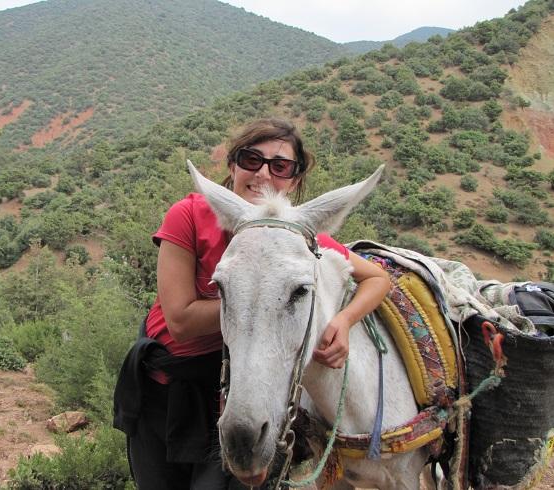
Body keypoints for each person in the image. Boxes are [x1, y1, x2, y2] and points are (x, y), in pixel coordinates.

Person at [114, 118, 391, 489]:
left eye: (280, 166)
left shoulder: (303, 241)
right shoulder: (190, 215)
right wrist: (269, 302)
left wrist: (342, 321)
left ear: (294, 180)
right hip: (162, 389)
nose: (263, 174)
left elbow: (377, 278)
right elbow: (179, 319)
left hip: (240, 388)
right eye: (251, 159)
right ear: (232, 167)